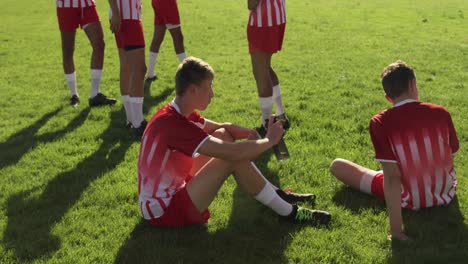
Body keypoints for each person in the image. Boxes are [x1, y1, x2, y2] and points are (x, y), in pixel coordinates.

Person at [137, 57, 331, 227]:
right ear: (193, 90)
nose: (212, 94)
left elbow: (224, 128)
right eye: (208, 88)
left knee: (223, 135)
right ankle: (291, 213)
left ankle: (279, 196)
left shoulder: (177, 111)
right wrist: (269, 140)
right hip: (162, 210)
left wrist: (252, 133)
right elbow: (234, 154)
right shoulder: (174, 124)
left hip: (172, 189)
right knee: (230, 157)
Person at [330, 61, 459, 241]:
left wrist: (396, 231)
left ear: (388, 97)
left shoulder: (380, 122)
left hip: (407, 198)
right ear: (413, 85)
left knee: (337, 165)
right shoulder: (441, 113)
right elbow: (451, 154)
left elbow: (391, 177)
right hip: (445, 194)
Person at [56, 0, 116, 107]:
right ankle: (74, 95)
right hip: (66, 6)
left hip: (86, 4)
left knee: (99, 44)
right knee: (68, 50)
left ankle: (94, 95)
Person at [247, 0, 290, 131]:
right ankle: (280, 115)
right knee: (265, 67)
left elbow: (252, 4)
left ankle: (267, 125)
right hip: (277, 15)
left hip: (263, 21)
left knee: (260, 71)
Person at [108, 0, 147, 135]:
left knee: (127, 67)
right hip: (126, 16)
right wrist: (116, 12)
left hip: (126, 14)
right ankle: (137, 123)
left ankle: (131, 119)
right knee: (139, 68)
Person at [145, 0, 187, 81]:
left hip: (158, 2)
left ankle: (150, 74)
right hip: (166, 3)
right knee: (178, 37)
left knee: (158, 37)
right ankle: (188, 72)